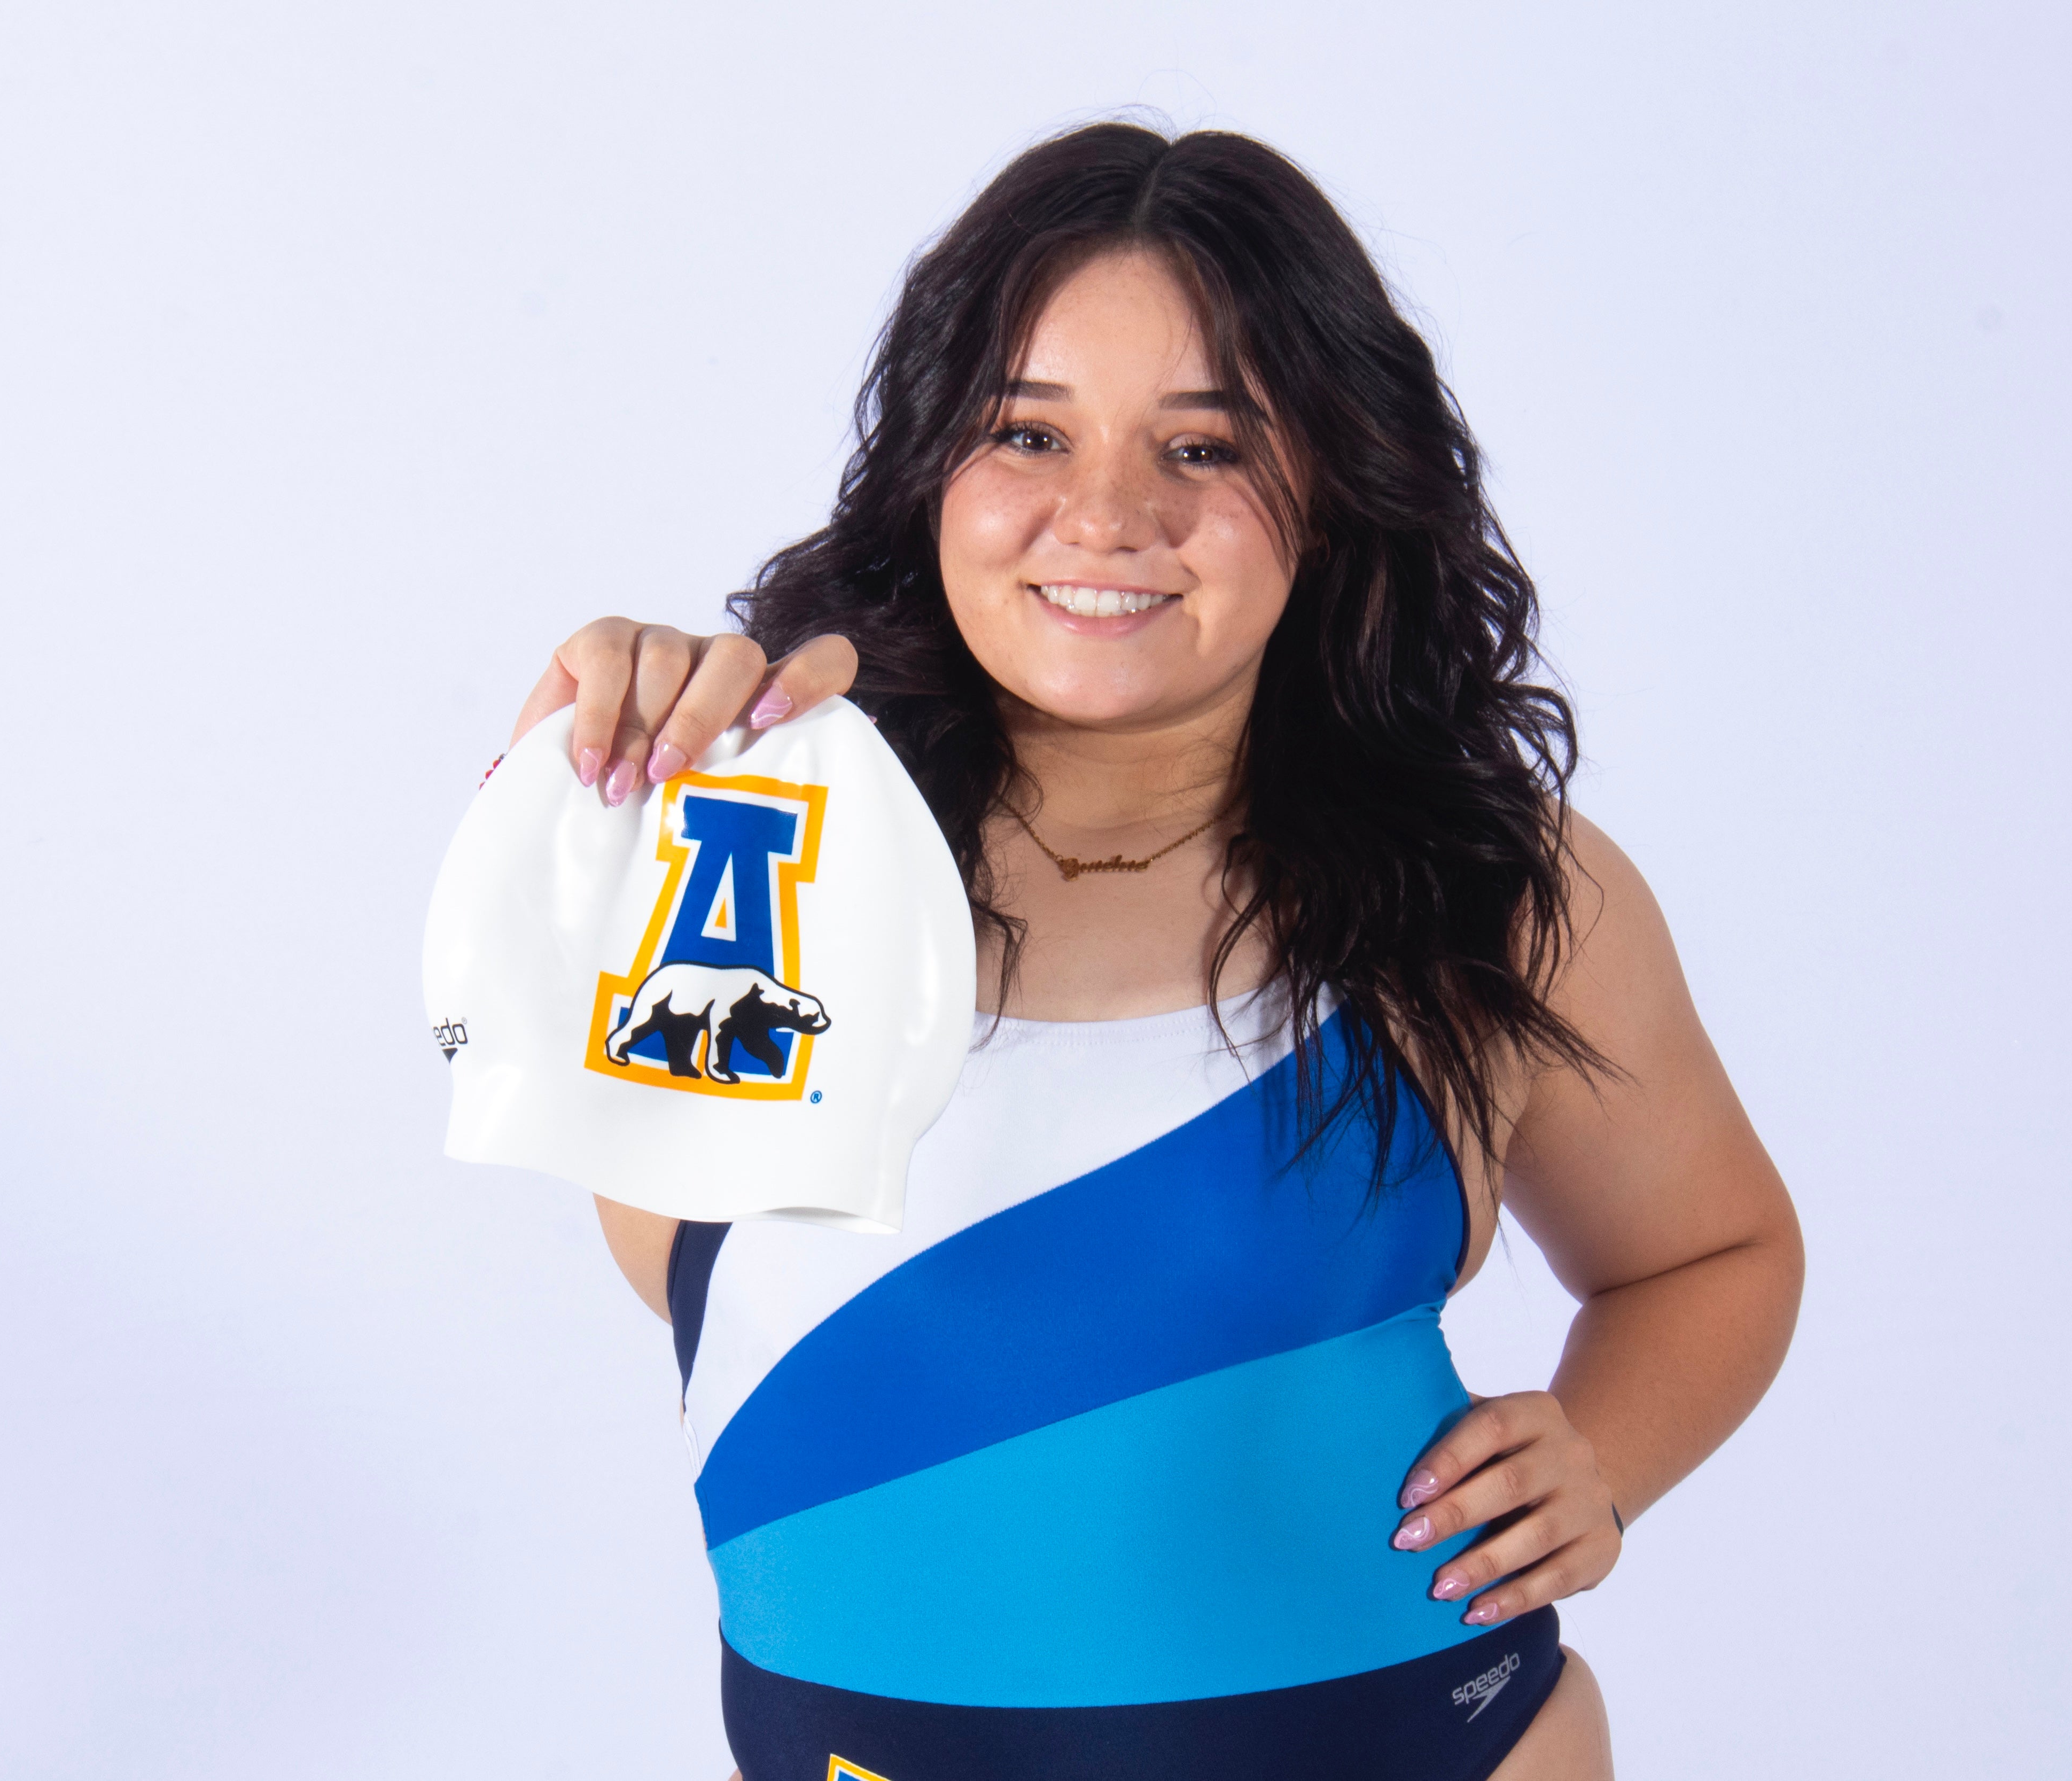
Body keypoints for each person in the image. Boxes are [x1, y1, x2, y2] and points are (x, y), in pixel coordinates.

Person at [512, 123, 1802, 1781]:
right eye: (1028, 432)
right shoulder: (754, 856)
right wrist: (612, 769)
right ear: (932, 470)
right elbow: (689, 1263)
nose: (1107, 514)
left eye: (1205, 448)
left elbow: (1713, 1253)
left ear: (1333, 490)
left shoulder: (1491, 890)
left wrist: (1602, 1460)